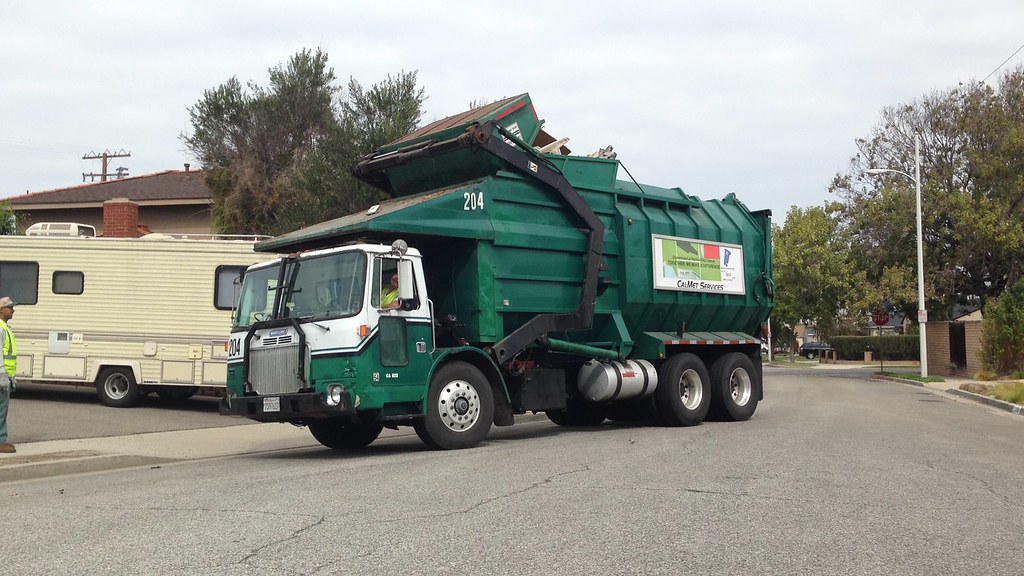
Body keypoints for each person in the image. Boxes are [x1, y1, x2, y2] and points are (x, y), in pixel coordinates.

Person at [0, 296, 17, 454]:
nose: (13, 310)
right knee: (1, 410)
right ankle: (0, 441)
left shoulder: (5, 327)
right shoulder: (0, 328)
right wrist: (3, 376)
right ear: (1, 310)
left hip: (5, 376)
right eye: (10, 307)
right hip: (1, 377)